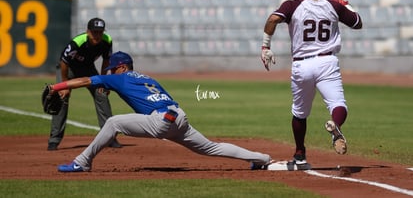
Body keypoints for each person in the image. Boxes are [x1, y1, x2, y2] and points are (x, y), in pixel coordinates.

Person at [51, 51, 273, 172]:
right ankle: (261, 159)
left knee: (113, 122)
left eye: (111, 69)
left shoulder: (118, 77)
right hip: (178, 116)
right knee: (211, 147)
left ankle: (83, 161)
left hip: (161, 121)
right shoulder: (148, 78)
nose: (109, 72)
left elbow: (85, 80)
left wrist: (57, 86)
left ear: (121, 67)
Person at [260, 0, 363, 166]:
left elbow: (273, 19)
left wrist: (266, 46)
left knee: (299, 112)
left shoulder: (292, 5)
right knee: (338, 104)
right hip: (327, 62)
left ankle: (299, 153)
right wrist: (345, 4)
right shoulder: (333, 6)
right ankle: (336, 125)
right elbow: (358, 23)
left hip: (302, 64)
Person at [47, 18, 121, 151]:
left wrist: (104, 81)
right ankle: (54, 140)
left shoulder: (107, 41)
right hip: (68, 69)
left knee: (101, 94)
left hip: (88, 68)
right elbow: (63, 62)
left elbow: (106, 61)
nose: (97, 35)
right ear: (88, 31)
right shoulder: (78, 42)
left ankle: (110, 138)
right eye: (94, 32)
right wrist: (65, 85)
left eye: (100, 32)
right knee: (62, 97)